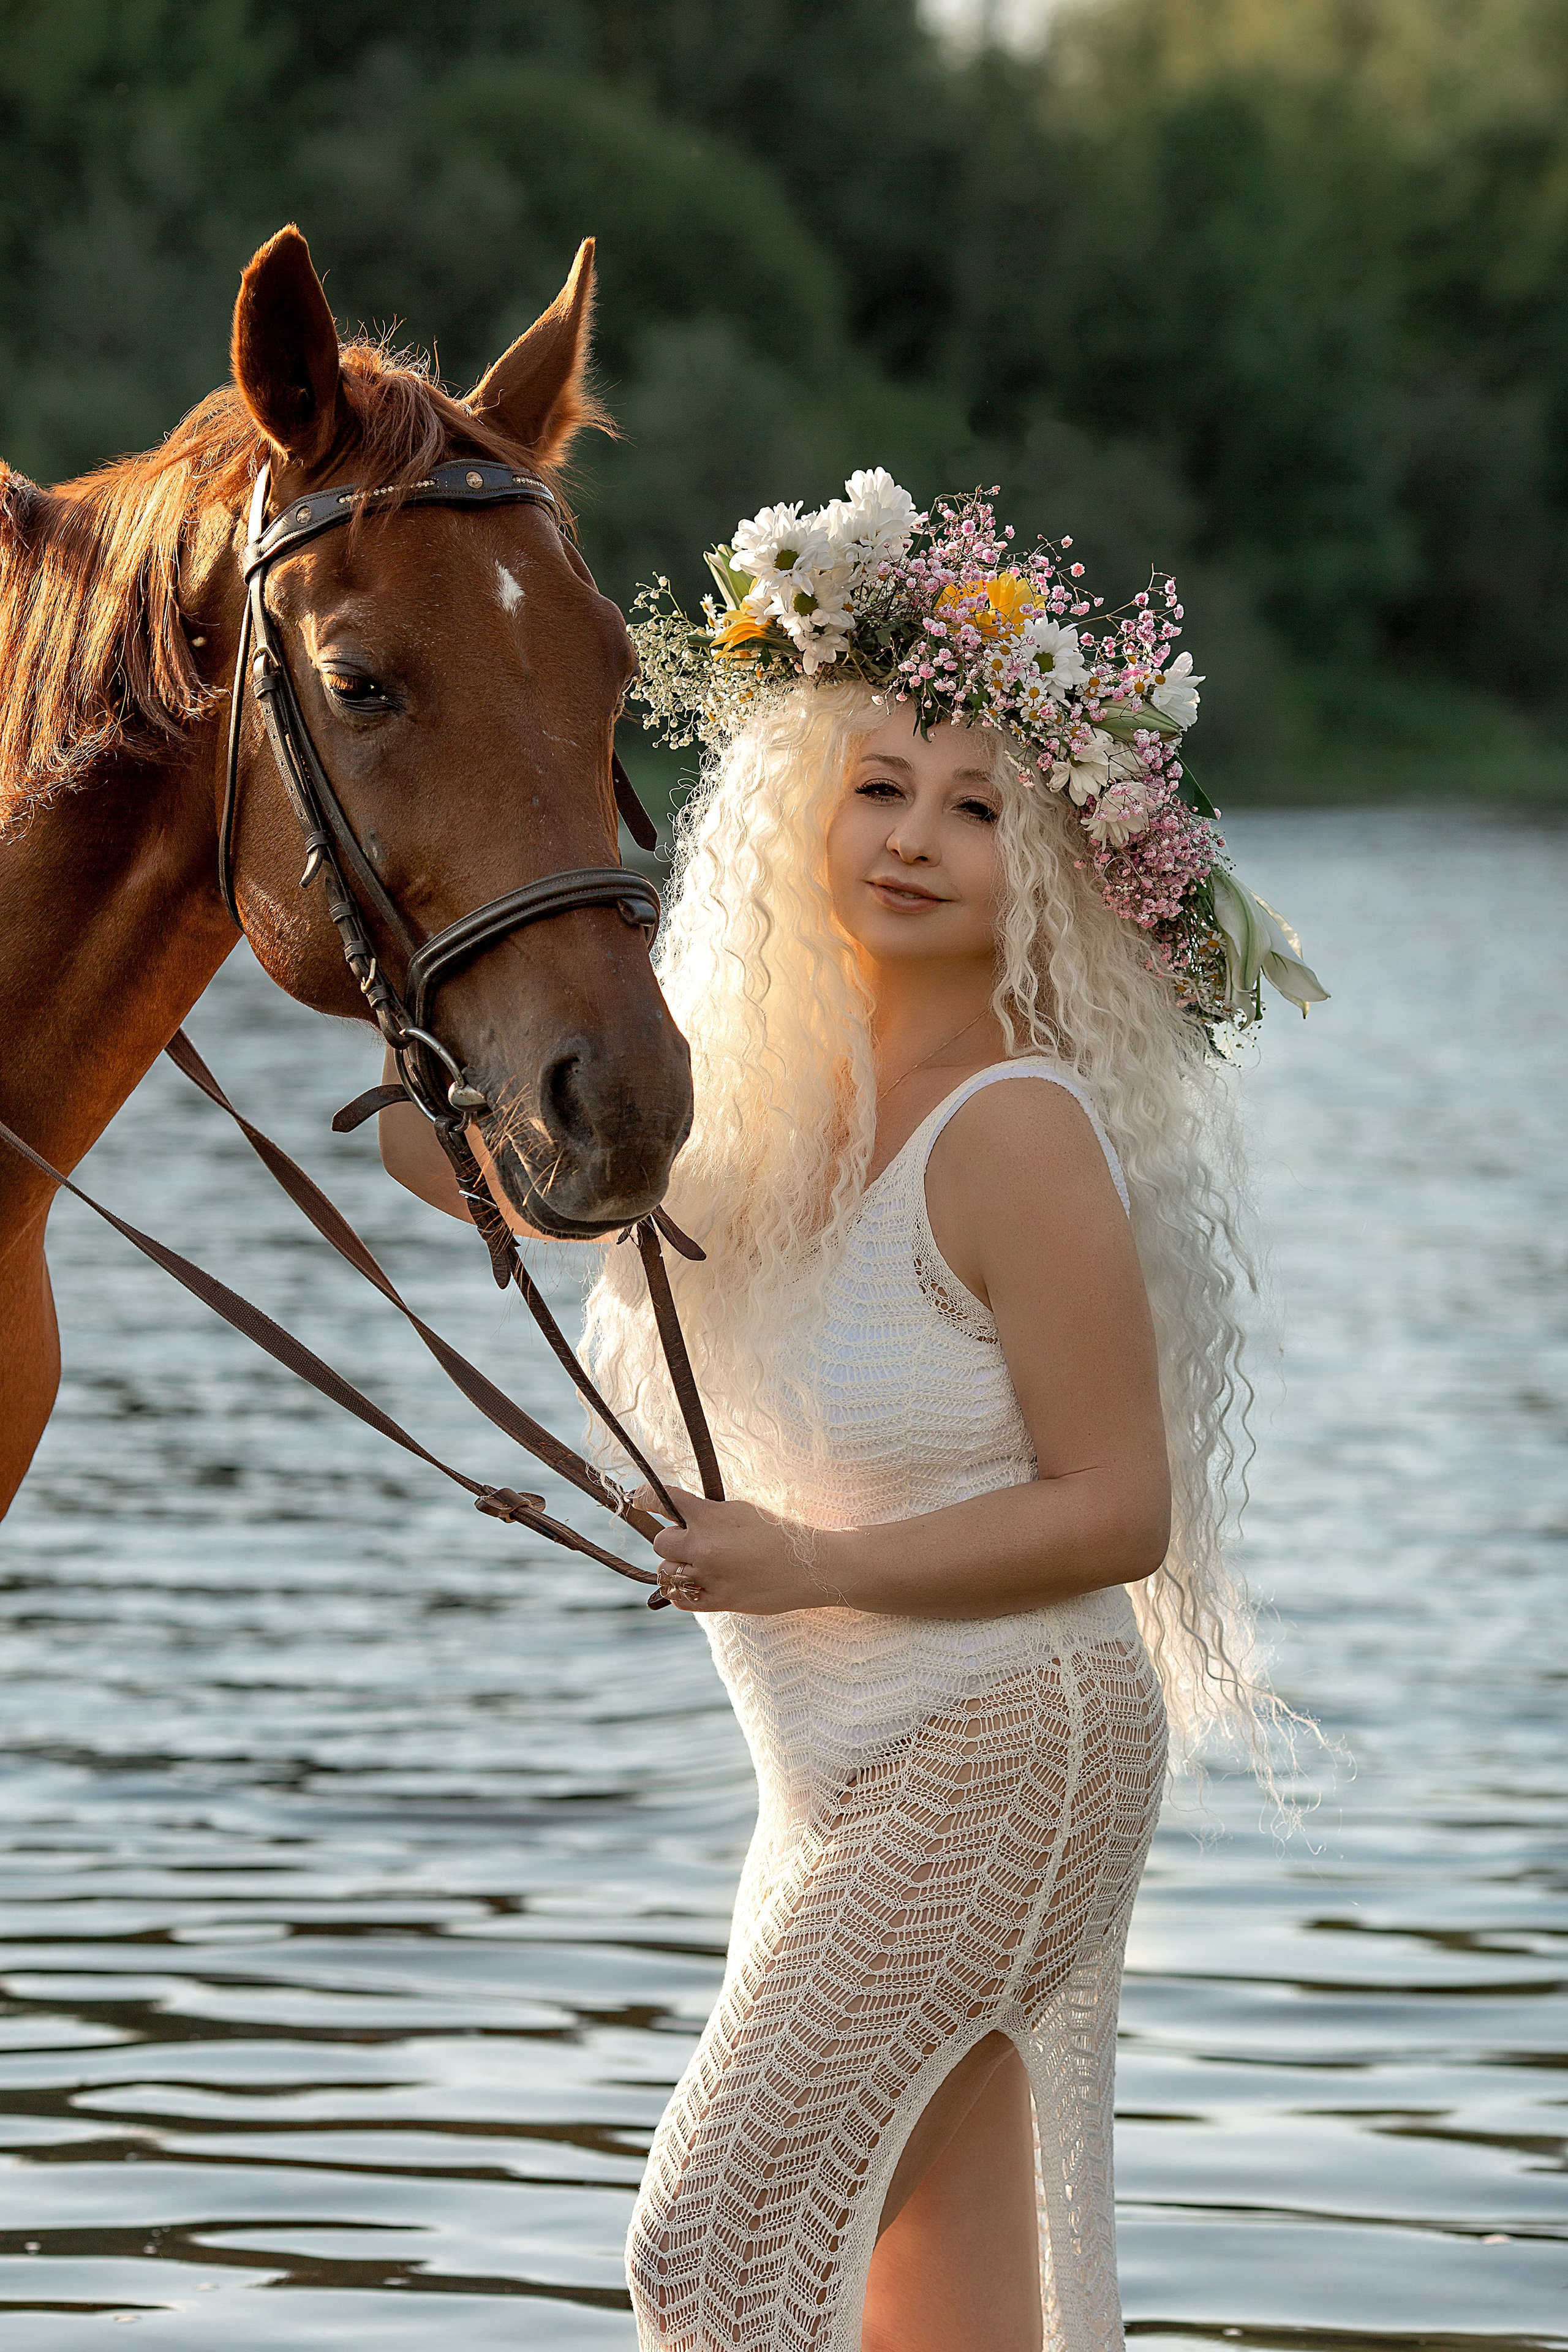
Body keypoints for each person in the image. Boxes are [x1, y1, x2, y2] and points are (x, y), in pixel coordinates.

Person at [382, 478, 1324, 2351]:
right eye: (879, 786)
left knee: (714, 2254)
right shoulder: (758, 1124)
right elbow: (447, 1148)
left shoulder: (1022, 1134)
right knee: (929, 2313)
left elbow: (1120, 1510)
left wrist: (813, 1558)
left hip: (1004, 1751)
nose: (913, 838)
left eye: (978, 810)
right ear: (803, 805)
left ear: (1044, 871)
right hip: (838, 1777)